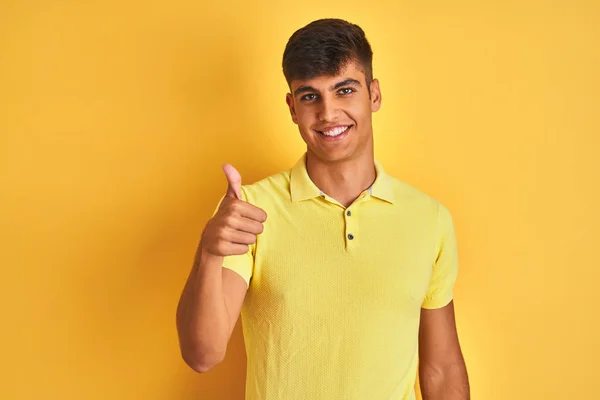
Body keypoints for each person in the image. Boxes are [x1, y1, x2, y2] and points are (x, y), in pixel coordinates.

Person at [176, 18, 470, 400]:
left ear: (374, 95)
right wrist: (210, 252)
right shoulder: (249, 209)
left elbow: (442, 368)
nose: (328, 113)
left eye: (344, 90)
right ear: (292, 108)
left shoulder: (428, 218)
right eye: (310, 96)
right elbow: (203, 354)